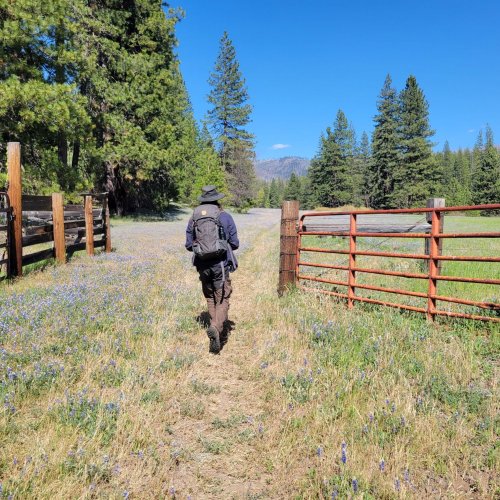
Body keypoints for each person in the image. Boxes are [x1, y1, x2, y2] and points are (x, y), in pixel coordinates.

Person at [185, 186, 239, 354]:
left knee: (210, 297)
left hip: (202, 265)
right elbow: (235, 243)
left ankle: (214, 325)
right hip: (220, 265)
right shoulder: (224, 216)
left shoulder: (194, 218)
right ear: (217, 199)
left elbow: (188, 245)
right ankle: (216, 327)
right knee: (222, 297)